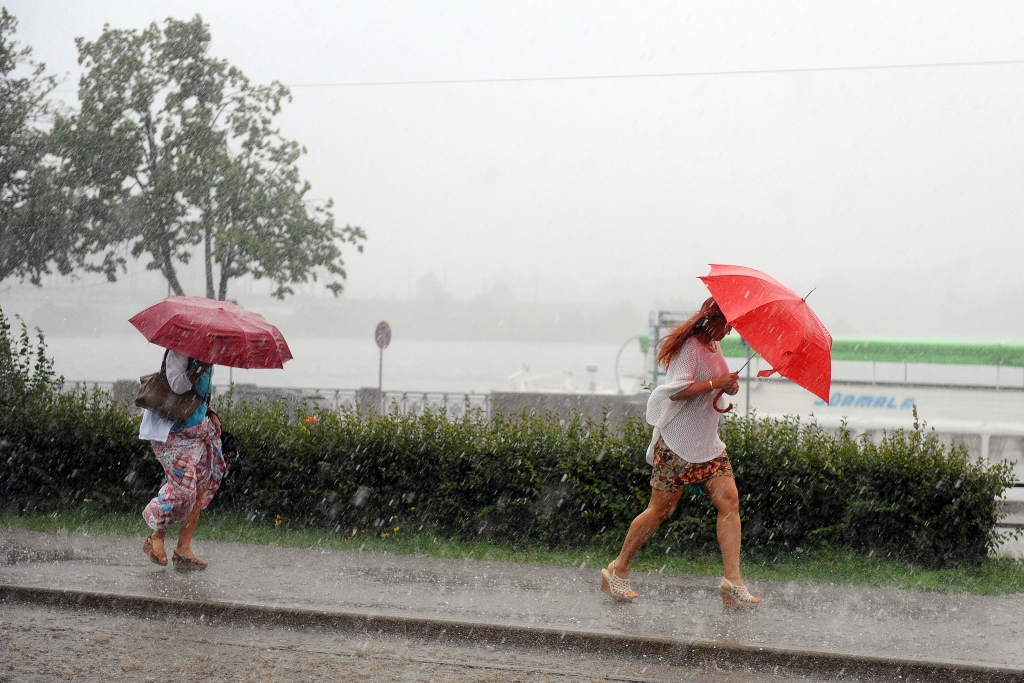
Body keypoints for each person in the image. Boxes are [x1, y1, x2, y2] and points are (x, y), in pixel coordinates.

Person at [601, 297, 760, 607]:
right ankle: (617, 570)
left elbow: (713, 382)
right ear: (712, 319)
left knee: (730, 502)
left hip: (708, 446)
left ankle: (733, 581)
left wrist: (727, 386)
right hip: (677, 446)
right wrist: (716, 381)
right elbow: (676, 389)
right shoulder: (689, 348)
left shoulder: (714, 344)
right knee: (659, 511)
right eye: (726, 324)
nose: (729, 331)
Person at [139, 349, 225, 571]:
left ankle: (183, 548)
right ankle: (156, 536)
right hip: (172, 433)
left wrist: (211, 412)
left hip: (197, 429)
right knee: (183, 491)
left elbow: (199, 393)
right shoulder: (179, 351)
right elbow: (177, 385)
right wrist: (200, 367)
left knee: (198, 488)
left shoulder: (204, 354)